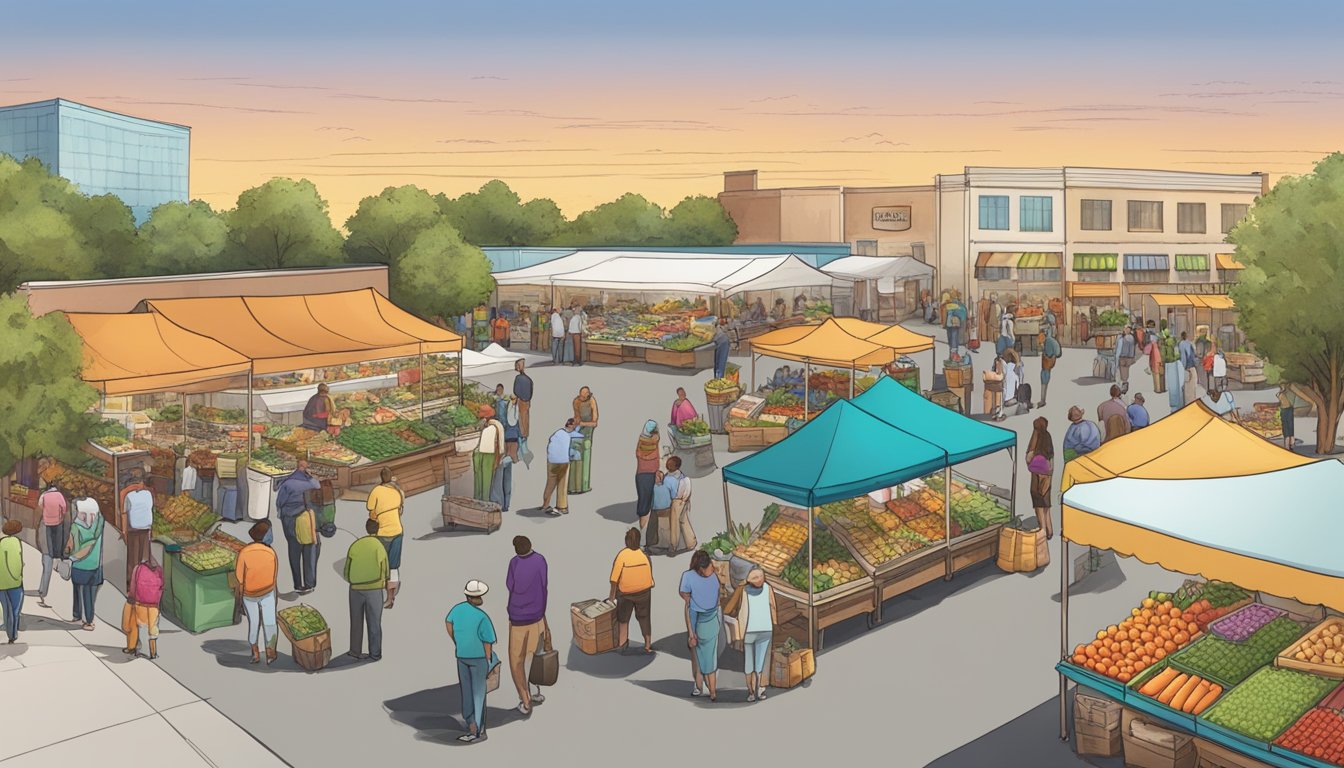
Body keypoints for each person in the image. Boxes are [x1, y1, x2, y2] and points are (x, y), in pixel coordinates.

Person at [445, 580, 499, 744]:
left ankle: (471, 724)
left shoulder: (457, 609)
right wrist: (489, 660)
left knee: (467, 691)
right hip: (478, 659)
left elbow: (448, 623)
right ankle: (479, 731)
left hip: (462, 656)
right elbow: (488, 642)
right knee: (478, 694)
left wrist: (456, 640)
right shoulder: (482, 617)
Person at [506, 536, 549, 714]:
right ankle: (536, 692)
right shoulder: (540, 560)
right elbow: (544, 584)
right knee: (534, 657)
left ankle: (525, 700)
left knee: (517, 661)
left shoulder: (514, 563)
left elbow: (510, 585)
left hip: (517, 618)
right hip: (537, 616)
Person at [726, 567, 776, 703]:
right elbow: (772, 606)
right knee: (759, 664)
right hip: (766, 629)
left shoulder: (743, 590)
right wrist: (775, 622)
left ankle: (751, 693)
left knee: (749, 664)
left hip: (748, 631)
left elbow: (728, 609)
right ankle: (759, 689)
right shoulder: (768, 588)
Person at [680, 549, 722, 702]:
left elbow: (684, 595)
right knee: (709, 656)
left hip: (700, 621)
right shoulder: (713, 577)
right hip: (711, 621)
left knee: (697, 656)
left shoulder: (688, 576)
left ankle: (700, 688)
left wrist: (691, 633)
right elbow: (718, 598)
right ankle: (708, 689)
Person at [345, 519, 389, 662]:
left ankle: (355, 651)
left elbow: (346, 571)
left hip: (355, 588)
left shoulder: (355, 545)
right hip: (374, 589)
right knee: (374, 622)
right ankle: (375, 653)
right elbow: (385, 570)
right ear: (378, 530)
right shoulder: (379, 547)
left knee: (356, 621)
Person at [236, 521, 279, 664]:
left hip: (249, 595)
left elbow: (239, 579)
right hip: (268, 593)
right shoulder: (271, 553)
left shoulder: (244, 552)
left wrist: (240, 597)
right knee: (270, 622)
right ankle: (271, 653)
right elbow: (274, 577)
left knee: (254, 623)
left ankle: (255, 652)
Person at [275, 459, 321, 594]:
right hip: (308, 518)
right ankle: (310, 582)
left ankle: (297, 584)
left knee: (294, 550)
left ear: (296, 466)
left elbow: (280, 502)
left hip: (290, 519)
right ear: (307, 468)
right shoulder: (313, 482)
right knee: (310, 548)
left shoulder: (288, 484)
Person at [367, 468, 405, 609]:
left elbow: (371, 509)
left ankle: (378, 595)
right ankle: (390, 598)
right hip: (397, 531)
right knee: (393, 566)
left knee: (381, 566)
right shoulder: (397, 491)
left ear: (381, 477)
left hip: (382, 532)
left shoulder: (376, 491)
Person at [68, 497, 104, 631]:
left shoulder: (75, 526)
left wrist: (70, 557)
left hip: (79, 564)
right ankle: (88, 620)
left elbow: (70, 545)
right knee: (90, 593)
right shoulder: (100, 523)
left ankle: (77, 616)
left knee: (77, 589)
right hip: (95, 564)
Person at [122, 553, 163, 659]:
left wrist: (131, 599)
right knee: (153, 629)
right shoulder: (159, 570)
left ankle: (137, 649)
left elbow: (133, 587)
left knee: (138, 626)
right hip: (153, 606)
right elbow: (161, 587)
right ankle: (153, 653)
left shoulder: (138, 568)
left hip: (140, 604)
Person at [36, 483, 70, 608]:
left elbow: (40, 505)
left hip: (47, 520)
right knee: (58, 538)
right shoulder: (60, 495)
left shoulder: (44, 495)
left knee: (49, 538)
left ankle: (51, 552)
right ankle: (56, 553)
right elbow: (64, 507)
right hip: (58, 520)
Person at [121, 471, 154, 589]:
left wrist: (124, 532)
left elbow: (124, 514)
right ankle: (143, 582)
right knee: (144, 556)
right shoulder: (148, 494)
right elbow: (149, 510)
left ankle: (132, 584)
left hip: (133, 530)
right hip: (146, 529)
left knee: (133, 558)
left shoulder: (128, 496)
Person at [542, 419, 581, 516]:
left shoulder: (557, 433)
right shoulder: (569, 435)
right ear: (571, 425)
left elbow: (549, 446)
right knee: (562, 484)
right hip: (563, 462)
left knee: (550, 484)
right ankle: (562, 507)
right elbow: (575, 445)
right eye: (575, 425)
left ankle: (545, 505)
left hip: (551, 461)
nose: (576, 427)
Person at [1026, 418, 1055, 540]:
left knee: (1038, 504)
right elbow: (1051, 457)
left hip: (1036, 475)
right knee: (1046, 504)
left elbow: (1029, 457)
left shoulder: (1035, 437)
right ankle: (1050, 529)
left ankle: (1042, 530)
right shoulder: (1048, 437)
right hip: (1047, 474)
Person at [663, 456, 698, 554]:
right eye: (668, 463)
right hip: (678, 501)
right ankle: (691, 542)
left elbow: (686, 489)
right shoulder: (669, 476)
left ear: (676, 466)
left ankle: (674, 545)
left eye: (670, 464)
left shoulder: (682, 478)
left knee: (674, 523)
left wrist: (683, 500)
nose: (668, 465)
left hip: (677, 501)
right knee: (683, 520)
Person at [634, 421, 661, 544]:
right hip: (650, 475)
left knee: (643, 505)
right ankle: (646, 538)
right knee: (651, 506)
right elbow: (655, 460)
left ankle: (643, 534)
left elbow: (639, 454)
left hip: (640, 475)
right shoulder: (655, 442)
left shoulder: (641, 443)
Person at [570, 387, 598, 495]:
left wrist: (582, 424)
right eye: (580, 396)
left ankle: (584, 484)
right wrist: (574, 424)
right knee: (574, 451)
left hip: (588, 430)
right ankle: (574, 485)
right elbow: (576, 416)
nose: (581, 398)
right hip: (579, 429)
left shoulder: (592, 401)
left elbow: (594, 422)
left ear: (588, 396)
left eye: (583, 396)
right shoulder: (576, 401)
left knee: (585, 452)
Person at [474, 406, 505, 502]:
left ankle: (481, 500)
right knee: (485, 480)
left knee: (483, 480)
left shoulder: (490, 428)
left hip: (487, 454)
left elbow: (486, 445)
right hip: (488, 454)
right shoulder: (497, 425)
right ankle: (483, 500)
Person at [0, 519, 23, 643]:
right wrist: (18, 576)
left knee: (6, 609)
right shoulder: (15, 542)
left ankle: (10, 631)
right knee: (15, 609)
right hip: (14, 583)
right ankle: (12, 634)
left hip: (1, 583)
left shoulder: (1, 542)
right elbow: (15, 563)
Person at [513, 359, 533, 457]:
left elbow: (516, 391)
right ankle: (524, 443)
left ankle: (521, 447)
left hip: (521, 401)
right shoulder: (528, 379)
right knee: (526, 421)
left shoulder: (518, 378)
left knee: (520, 421)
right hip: (527, 402)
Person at [1039, 320, 1061, 408]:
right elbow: (1058, 352)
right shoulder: (1052, 341)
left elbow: (1056, 352)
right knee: (1045, 379)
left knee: (1044, 379)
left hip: (1047, 362)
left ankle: (1043, 400)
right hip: (1049, 362)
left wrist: (1049, 355)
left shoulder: (1049, 341)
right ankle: (1043, 399)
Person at [497, 386, 521, 463]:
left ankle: (513, 457)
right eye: (512, 399)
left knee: (514, 444)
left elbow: (516, 417)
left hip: (513, 430)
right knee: (509, 444)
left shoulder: (515, 406)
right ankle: (510, 456)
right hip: (509, 429)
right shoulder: (507, 405)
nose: (514, 400)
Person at [983, 351, 1006, 421]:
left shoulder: (998, 361)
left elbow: (995, 371)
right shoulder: (1001, 362)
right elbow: (1001, 374)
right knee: (999, 399)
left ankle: (995, 413)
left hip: (997, 383)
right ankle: (998, 413)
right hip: (1000, 384)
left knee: (996, 398)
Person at [1178, 332, 1199, 406]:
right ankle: (1192, 405)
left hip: (1187, 369)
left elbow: (1183, 358)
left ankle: (1188, 405)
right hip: (1193, 368)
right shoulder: (1190, 344)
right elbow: (1194, 357)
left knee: (1187, 389)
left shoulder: (1181, 344)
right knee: (1192, 388)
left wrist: (1183, 368)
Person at [1115, 324, 1137, 394]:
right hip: (1127, 357)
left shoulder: (1126, 338)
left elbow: (1119, 348)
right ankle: (1123, 386)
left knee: (1122, 372)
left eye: (1127, 328)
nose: (1125, 330)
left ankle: (1123, 387)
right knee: (1124, 372)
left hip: (1123, 357)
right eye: (1125, 328)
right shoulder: (1130, 337)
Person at [567, 301, 586, 365]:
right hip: (576, 333)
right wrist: (582, 332)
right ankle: (577, 360)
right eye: (579, 308)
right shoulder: (577, 317)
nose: (580, 309)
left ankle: (575, 360)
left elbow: (572, 325)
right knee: (577, 348)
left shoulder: (575, 317)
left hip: (573, 333)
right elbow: (579, 326)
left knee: (574, 347)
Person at [1278, 382, 1296, 450]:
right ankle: (1288, 442)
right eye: (1281, 386)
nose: (1282, 387)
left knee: (1289, 424)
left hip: (1288, 409)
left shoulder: (1288, 393)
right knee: (1286, 425)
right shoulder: (1282, 393)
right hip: (1284, 410)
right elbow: (1281, 401)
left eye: (1283, 386)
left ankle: (1291, 441)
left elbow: (1288, 402)